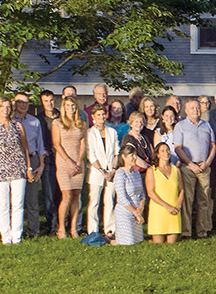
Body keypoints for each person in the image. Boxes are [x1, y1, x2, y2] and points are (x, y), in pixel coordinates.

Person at [0, 97, 32, 245]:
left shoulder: (17, 126)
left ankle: (16, 236)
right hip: (0, 169)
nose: (5, 110)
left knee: (18, 204)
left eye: (8, 107)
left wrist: (28, 167)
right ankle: (5, 237)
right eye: (3, 107)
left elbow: (25, 148)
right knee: (3, 205)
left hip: (17, 167)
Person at [170, 99, 216, 239]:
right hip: (188, 167)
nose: (196, 110)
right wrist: (190, 164)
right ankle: (186, 232)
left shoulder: (206, 125)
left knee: (204, 200)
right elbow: (178, 148)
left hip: (204, 167)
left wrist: (207, 163)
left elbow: (213, 146)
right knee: (187, 201)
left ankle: (202, 231)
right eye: (192, 108)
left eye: (198, 108)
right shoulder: (180, 126)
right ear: (186, 110)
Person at [50, 96, 86, 239]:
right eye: (68, 105)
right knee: (67, 196)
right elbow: (56, 144)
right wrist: (69, 162)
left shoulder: (81, 124)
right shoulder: (57, 123)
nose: (71, 108)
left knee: (76, 195)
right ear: (63, 107)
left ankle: (73, 228)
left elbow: (83, 143)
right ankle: (61, 228)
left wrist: (78, 161)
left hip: (78, 162)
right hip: (64, 162)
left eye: (73, 105)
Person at [12, 94, 47, 237]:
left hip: (32, 160)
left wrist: (41, 165)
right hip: (14, 162)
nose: (23, 105)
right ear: (14, 104)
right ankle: (14, 231)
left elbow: (40, 145)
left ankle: (34, 231)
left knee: (32, 198)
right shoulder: (9, 121)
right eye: (20, 102)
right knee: (14, 199)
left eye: (26, 103)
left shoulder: (34, 121)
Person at [84, 105, 119, 238]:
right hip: (96, 172)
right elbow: (91, 155)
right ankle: (93, 230)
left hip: (111, 171)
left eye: (103, 114)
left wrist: (113, 170)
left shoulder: (112, 132)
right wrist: (102, 171)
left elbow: (117, 152)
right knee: (94, 201)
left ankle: (109, 230)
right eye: (98, 115)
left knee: (110, 200)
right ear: (93, 117)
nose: (101, 117)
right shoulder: (90, 133)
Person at [144, 142, 183, 244]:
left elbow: (181, 190)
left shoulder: (176, 170)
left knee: (171, 246)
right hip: (158, 210)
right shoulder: (152, 171)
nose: (166, 153)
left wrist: (178, 206)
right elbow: (151, 193)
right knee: (158, 246)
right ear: (158, 154)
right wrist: (167, 207)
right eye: (162, 151)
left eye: (167, 150)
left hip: (174, 210)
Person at [111, 145, 146, 246]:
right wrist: (135, 212)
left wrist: (141, 208)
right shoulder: (120, 174)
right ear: (124, 157)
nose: (135, 158)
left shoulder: (136, 173)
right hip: (125, 212)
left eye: (135, 155)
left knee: (138, 241)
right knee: (128, 243)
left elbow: (142, 194)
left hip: (137, 210)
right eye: (132, 155)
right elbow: (122, 198)